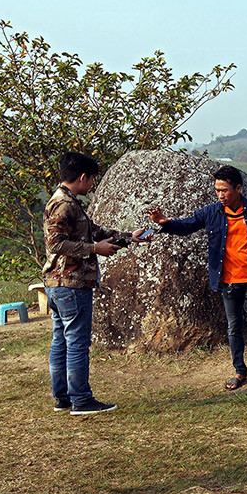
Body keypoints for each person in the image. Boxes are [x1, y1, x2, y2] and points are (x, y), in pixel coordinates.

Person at [148, 165, 247, 390]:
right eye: (217, 190)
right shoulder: (210, 212)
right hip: (230, 279)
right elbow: (187, 226)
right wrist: (165, 223)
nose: (220, 195)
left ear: (238, 188)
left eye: (224, 190)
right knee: (234, 327)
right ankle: (239, 371)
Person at [43, 152, 151, 415]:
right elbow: (55, 243)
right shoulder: (64, 205)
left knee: (62, 340)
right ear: (82, 177)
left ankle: (64, 397)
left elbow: (92, 230)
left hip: (57, 283)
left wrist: (128, 237)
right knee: (77, 342)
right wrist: (94, 249)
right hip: (71, 282)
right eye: (91, 179)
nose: (92, 184)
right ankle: (80, 399)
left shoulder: (66, 202)